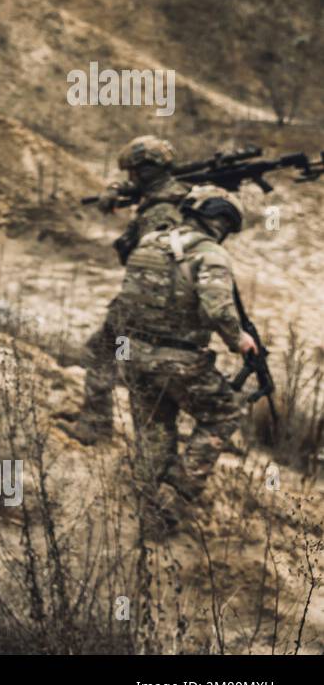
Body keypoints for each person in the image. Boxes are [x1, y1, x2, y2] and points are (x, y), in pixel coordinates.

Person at [113, 185, 256, 534]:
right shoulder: (210, 255)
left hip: (133, 354)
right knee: (226, 411)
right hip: (177, 360)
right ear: (222, 221)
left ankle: (148, 514)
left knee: (154, 431)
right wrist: (240, 341)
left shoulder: (149, 244)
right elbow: (219, 309)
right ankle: (173, 497)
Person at [63, 135, 192, 446]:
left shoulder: (160, 211)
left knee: (103, 351)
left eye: (133, 172)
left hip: (145, 301)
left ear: (146, 171)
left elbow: (156, 262)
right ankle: (150, 447)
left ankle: (96, 427)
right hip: (158, 301)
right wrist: (117, 193)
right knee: (136, 370)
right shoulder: (173, 195)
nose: (129, 178)